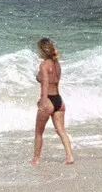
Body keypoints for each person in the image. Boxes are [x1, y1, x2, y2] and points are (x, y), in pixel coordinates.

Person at [32, 38, 74, 166]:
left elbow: (45, 83)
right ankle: (70, 156)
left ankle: (36, 159)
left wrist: (43, 101)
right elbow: (53, 80)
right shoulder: (57, 64)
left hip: (48, 100)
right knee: (61, 130)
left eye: (38, 50)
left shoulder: (44, 65)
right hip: (59, 101)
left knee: (39, 133)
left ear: (43, 51)